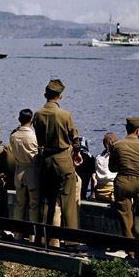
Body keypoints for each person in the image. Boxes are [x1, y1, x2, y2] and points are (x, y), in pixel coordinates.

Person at [33, 78, 83, 248]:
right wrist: (76, 153)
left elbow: (38, 137)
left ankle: (43, 237)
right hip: (62, 158)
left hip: (46, 158)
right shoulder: (65, 115)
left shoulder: (38, 114)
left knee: (46, 201)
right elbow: (74, 137)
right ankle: (71, 240)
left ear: (45, 95)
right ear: (60, 97)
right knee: (68, 200)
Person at [110, 116, 139, 246]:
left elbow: (112, 168)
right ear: (138, 130)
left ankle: (130, 249)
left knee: (125, 217)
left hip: (123, 183)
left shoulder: (117, 145)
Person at [6, 108, 42, 243]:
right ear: (31, 120)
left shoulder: (13, 136)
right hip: (32, 172)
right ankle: (33, 236)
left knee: (20, 204)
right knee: (34, 205)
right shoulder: (34, 136)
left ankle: (17, 234)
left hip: (19, 171)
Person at [92, 133, 118, 202]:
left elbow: (94, 177)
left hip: (99, 193)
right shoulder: (117, 158)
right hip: (112, 194)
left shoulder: (98, 157)